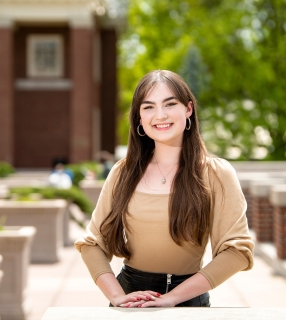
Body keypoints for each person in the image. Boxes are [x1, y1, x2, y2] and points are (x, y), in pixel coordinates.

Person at [75, 70, 254, 308]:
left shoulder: (216, 174)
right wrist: (116, 296)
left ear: (188, 109)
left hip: (190, 302)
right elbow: (93, 244)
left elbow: (237, 251)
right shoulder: (123, 173)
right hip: (131, 303)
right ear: (139, 118)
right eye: (148, 107)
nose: (160, 115)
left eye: (170, 104)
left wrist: (170, 299)